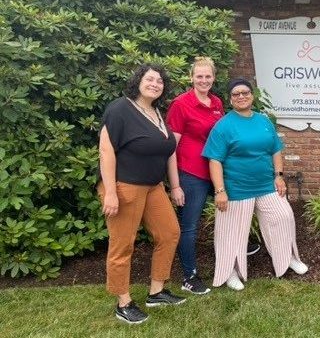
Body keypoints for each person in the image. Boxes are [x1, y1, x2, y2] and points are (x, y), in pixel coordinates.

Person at [97, 64, 185, 324]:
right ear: (138, 81)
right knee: (122, 245)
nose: (155, 84)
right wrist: (111, 192)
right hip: (125, 186)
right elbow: (106, 150)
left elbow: (168, 151)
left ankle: (156, 292)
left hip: (153, 187)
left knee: (169, 233)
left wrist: (174, 185)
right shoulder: (120, 109)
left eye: (159, 81)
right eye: (150, 79)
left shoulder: (156, 112)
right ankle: (123, 302)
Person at [202, 78, 308, 291]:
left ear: (252, 95)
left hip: (265, 185)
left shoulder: (263, 121)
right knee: (231, 232)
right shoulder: (224, 125)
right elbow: (214, 160)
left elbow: (275, 150)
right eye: (236, 94)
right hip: (236, 189)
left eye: (245, 92)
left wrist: (278, 175)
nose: (241, 96)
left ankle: (287, 259)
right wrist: (220, 191)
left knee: (283, 216)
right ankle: (230, 273)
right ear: (231, 99)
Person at [166, 57, 260, 296]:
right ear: (191, 78)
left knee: (230, 211)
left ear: (214, 78)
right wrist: (175, 184)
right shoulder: (181, 104)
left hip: (216, 171)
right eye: (199, 76)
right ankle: (189, 276)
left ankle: (236, 250)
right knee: (189, 227)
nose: (204, 80)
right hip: (192, 173)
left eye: (208, 76)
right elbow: (170, 147)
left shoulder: (217, 102)